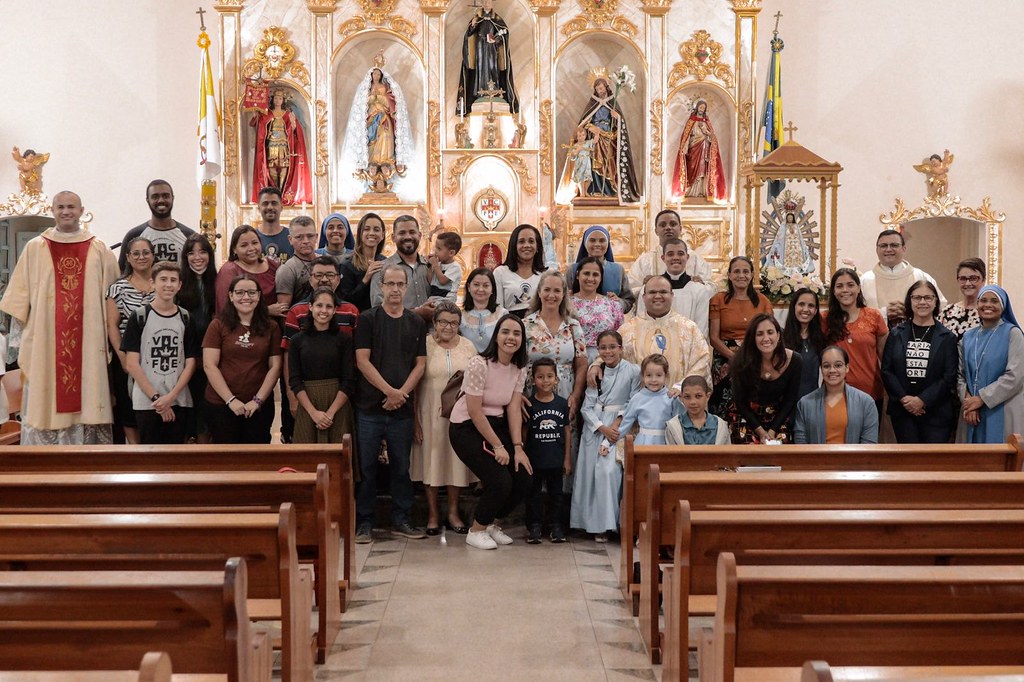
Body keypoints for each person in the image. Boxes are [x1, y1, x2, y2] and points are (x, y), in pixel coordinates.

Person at [0, 191, 119, 445]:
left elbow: (114, 298)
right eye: (61, 207)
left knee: (88, 392)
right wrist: (20, 341)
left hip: (89, 343)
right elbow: (19, 298)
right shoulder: (35, 247)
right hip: (46, 342)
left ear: (81, 211)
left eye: (71, 207)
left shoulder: (99, 248)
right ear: (53, 210)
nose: (66, 212)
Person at [354, 264, 428, 543]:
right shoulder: (368, 319)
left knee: (400, 466)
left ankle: (402, 518)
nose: (395, 289)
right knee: (367, 467)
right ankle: (364, 522)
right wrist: (389, 391)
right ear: (381, 286)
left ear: (406, 287)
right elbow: (362, 361)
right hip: (370, 407)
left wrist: (401, 394)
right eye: (390, 284)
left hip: (402, 410)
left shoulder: (416, 322)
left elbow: (420, 364)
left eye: (400, 284)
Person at [449, 315, 533, 550]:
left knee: (524, 478)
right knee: (500, 481)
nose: (511, 338)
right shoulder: (479, 363)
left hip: (496, 423)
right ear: (496, 336)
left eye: (517, 333)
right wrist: (498, 446)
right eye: (505, 332)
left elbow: (514, 408)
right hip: (466, 426)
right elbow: (475, 411)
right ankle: (476, 531)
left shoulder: (519, 367)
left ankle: (491, 524)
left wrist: (517, 448)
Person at [412, 301, 477, 536]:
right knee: (431, 462)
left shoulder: (468, 347)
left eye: (453, 323)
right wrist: (415, 420)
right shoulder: (424, 345)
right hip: (428, 413)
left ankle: (453, 512)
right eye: (443, 322)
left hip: (460, 417)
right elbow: (414, 383)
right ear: (434, 323)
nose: (448, 327)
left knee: (455, 463)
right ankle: (432, 514)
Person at [572, 331, 640, 541]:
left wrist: (615, 427)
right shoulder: (596, 371)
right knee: (589, 475)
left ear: (620, 348)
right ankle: (594, 525)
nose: (608, 351)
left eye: (612, 347)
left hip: (619, 425)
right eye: (603, 347)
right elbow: (586, 407)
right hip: (596, 425)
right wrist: (601, 427)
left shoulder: (633, 371)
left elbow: (633, 401)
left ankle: (612, 523)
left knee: (608, 472)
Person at [121, 262, 199, 444]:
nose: (168, 284)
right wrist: (157, 399)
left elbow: (191, 363)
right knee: (149, 454)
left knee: (176, 454)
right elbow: (132, 363)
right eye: (163, 279)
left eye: (173, 280)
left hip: (178, 399)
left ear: (179, 285)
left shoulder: (186, 318)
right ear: (152, 283)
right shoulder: (139, 317)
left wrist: (171, 397)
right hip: (147, 401)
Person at [202, 275, 282, 444]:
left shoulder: (271, 327)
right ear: (231, 296)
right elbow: (209, 365)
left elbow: (275, 367)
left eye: (251, 292)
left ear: (259, 296)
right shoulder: (218, 325)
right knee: (226, 456)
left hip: (258, 406)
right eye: (240, 292)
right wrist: (230, 400)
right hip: (221, 404)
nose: (246, 297)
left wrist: (257, 401)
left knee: (257, 456)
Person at [881, 280, 958, 443]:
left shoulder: (947, 337)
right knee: (908, 458)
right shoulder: (896, 334)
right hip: (903, 412)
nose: (922, 302)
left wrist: (922, 400)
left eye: (928, 297)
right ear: (909, 301)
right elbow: (887, 370)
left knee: (932, 458)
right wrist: (905, 399)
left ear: (935, 301)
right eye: (917, 298)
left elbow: (949, 376)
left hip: (936, 413)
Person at [615, 275, 712, 389]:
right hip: (637, 397)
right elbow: (612, 359)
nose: (657, 296)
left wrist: (680, 387)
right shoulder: (626, 330)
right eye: (652, 292)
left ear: (672, 295)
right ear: (644, 297)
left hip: (678, 396)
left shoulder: (689, 328)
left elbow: (702, 361)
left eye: (663, 292)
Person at [556, 74, 640, 204]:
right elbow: (584, 122)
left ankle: (611, 189)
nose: (600, 91)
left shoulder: (613, 102)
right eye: (597, 89)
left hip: (609, 138)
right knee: (594, 162)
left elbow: (620, 123)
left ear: (606, 87)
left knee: (609, 162)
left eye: (601, 88)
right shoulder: (593, 103)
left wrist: (617, 117)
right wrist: (591, 127)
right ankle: (595, 189)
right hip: (595, 138)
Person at [288, 287, 356, 444]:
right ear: (310, 307)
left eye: (329, 306)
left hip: (337, 404)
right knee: (307, 454)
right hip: (308, 404)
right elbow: (295, 380)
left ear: (335, 310)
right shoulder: (297, 340)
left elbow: (348, 380)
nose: (324, 311)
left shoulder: (344, 339)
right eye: (319, 305)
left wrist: (330, 413)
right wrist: (313, 413)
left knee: (339, 453)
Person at [958, 285, 1024, 444]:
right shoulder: (968, 337)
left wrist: (981, 399)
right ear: (978, 304)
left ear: (1003, 306)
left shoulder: (1013, 333)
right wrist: (969, 403)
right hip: (971, 412)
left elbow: (1015, 376)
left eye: (994, 301)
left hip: (1003, 407)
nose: (988, 305)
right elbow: (960, 375)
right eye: (984, 300)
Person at [708, 256, 774, 414]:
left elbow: (769, 334)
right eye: (736, 271)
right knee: (726, 403)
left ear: (752, 275)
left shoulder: (763, 301)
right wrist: (735, 357)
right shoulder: (719, 299)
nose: (741, 275)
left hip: (757, 354)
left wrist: (752, 357)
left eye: (745, 271)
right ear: (729, 275)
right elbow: (714, 338)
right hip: (726, 356)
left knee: (755, 403)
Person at [105, 236, 155, 444]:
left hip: (156, 356)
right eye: (136, 253)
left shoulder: (163, 283)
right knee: (128, 406)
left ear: (153, 255)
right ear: (128, 257)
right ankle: (135, 451)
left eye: (145, 252)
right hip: (127, 356)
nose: (141, 257)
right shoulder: (118, 288)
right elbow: (112, 326)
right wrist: (122, 358)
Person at [728, 313, 803, 444]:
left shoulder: (795, 360)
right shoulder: (740, 361)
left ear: (778, 335)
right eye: (759, 334)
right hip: (746, 415)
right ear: (753, 338)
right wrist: (761, 432)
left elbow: (790, 400)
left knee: (781, 446)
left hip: (777, 417)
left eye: (770, 332)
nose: (766, 338)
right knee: (748, 447)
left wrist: (772, 431)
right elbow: (740, 402)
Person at [524, 272, 587, 418]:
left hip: (566, 394)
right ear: (539, 292)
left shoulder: (573, 325)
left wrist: (575, 396)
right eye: (547, 289)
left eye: (557, 290)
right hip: (533, 394)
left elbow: (582, 364)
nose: (551, 295)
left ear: (563, 295)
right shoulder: (526, 325)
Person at [825, 268, 888, 413]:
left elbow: (885, 357)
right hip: (835, 394)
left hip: (871, 392)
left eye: (850, 285)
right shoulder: (824, 319)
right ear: (833, 291)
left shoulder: (874, 316)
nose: (845, 290)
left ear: (859, 288)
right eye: (839, 286)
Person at [524, 358, 571, 544]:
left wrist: (567, 459)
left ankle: (556, 526)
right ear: (533, 380)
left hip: (555, 459)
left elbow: (567, 432)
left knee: (556, 494)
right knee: (533, 494)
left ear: (556, 379)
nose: (545, 381)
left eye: (550, 376)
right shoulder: (529, 404)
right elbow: (524, 432)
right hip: (534, 460)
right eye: (540, 377)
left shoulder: (562, 404)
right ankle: (534, 526)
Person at [176, 233, 218, 442]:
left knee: (207, 402)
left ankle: (206, 443)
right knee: (188, 400)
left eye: (202, 252)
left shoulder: (218, 281)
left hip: (212, 352)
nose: (197, 257)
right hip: (186, 352)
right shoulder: (179, 283)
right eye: (191, 253)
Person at [794, 345, 879, 444]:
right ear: (821, 369)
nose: (832, 370)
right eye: (826, 366)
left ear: (847, 368)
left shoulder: (866, 403)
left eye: (838, 365)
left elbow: (869, 445)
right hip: (815, 455)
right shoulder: (805, 404)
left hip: (855, 455)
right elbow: (801, 445)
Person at [859, 230, 946, 327]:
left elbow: (941, 308)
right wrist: (884, 313)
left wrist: (910, 311)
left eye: (894, 245)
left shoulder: (921, 277)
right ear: (877, 250)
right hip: (876, 335)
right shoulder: (865, 280)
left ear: (904, 249)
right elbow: (855, 314)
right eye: (883, 246)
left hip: (915, 334)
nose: (888, 249)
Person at [634, 238, 715, 337]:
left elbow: (701, 329)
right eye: (670, 254)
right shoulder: (648, 289)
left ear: (687, 257)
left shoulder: (699, 290)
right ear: (663, 258)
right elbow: (642, 323)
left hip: (689, 343)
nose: (675, 257)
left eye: (680, 254)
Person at [249, 90, 312, 205]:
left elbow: (295, 130)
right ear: (272, 99)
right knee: (272, 168)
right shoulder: (267, 113)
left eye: (280, 98)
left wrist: (293, 125)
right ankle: (275, 192)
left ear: (283, 100)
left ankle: (282, 193)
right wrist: (255, 116)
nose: (278, 100)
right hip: (271, 145)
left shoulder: (287, 114)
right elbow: (256, 124)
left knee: (284, 168)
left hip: (284, 145)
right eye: (276, 98)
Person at [627, 209, 713, 293]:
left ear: (680, 229)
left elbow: (711, 287)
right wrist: (646, 287)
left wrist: (701, 284)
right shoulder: (644, 261)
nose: (668, 228)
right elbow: (631, 290)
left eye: (673, 224)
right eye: (663, 225)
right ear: (656, 231)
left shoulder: (695, 258)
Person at [457, 0, 519, 114]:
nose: (486, 3)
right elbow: (469, 34)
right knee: (481, 70)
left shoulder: (497, 19)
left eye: (489, 1)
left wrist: (496, 39)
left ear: (492, 3)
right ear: (482, 3)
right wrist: (473, 25)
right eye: (484, 1)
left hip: (492, 49)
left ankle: (494, 91)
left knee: (492, 68)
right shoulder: (477, 18)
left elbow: (504, 34)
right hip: (480, 47)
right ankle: (481, 91)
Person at [118, 179, 196, 270]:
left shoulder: (189, 236)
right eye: (155, 197)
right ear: (147, 200)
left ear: (172, 198)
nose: (161, 200)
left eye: (165, 196)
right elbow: (122, 272)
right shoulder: (133, 236)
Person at [605, 354, 675, 451]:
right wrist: (607, 443)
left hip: (666, 445)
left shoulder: (671, 398)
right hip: (643, 445)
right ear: (642, 376)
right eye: (649, 375)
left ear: (666, 376)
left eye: (658, 375)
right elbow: (625, 424)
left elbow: (679, 425)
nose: (653, 380)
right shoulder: (637, 398)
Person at [369, 215, 434, 320]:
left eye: (412, 232)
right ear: (393, 237)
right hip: (395, 329)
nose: (408, 237)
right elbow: (378, 311)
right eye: (402, 233)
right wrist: (417, 313)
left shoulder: (430, 266)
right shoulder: (381, 269)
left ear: (419, 235)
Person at [564, 225, 635, 314]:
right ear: (585, 243)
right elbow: (562, 299)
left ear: (608, 244)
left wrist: (618, 302)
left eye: (602, 241)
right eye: (592, 240)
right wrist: (568, 299)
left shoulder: (618, 270)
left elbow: (629, 301)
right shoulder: (572, 270)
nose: (597, 244)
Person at [215, 225, 284, 316]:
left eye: (255, 243)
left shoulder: (273, 265)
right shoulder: (229, 271)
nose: (251, 248)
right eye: (244, 245)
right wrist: (266, 311)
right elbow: (225, 308)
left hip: (273, 323)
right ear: (234, 249)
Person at [670, 99, 727, 202]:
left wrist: (706, 132)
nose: (702, 109)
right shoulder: (691, 121)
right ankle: (691, 191)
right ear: (697, 108)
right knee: (692, 167)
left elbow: (712, 136)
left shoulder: (706, 121)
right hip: (693, 147)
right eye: (700, 107)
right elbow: (686, 135)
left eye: (703, 108)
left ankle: (702, 191)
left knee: (703, 169)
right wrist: (684, 146)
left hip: (705, 146)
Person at [570, 257, 624, 362]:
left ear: (601, 278)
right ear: (577, 275)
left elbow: (619, 336)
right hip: (574, 358)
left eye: (595, 275)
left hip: (606, 360)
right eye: (586, 273)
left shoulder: (612, 304)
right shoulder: (567, 304)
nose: (590, 278)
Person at [492, 224, 547, 317]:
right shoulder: (500, 273)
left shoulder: (545, 274)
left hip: (540, 323)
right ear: (514, 246)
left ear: (537, 246)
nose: (527, 245)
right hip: (510, 323)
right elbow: (498, 309)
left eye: (531, 241)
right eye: (521, 241)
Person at [781, 288, 826, 399]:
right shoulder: (781, 338)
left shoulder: (820, 339)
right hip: (786, 401)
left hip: (812, 399)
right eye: (801, 304)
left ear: (815, 310)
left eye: (811, 306)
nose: (806, 309)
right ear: (794, 307)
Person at [338, 213, 386, 312]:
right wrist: (366, 279)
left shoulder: (384, 261)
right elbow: (345, 300)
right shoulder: (347, 264)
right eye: (366, 229)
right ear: (360, 233)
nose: (371, 233)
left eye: (376, 230)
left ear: (382, 235)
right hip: (358, 316)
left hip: (381, 316)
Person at [666, 375, 730, 445]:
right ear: (681, 398)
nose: (693, 402)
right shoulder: (674, 426)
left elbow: (727, 451)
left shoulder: (720, 426)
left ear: (707, 396)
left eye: (698, 396)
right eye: (687, 397)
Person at [275, 215, 319, 309]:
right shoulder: (286, 270)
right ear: (290, 239)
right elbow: (283, 309)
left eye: (310, 236)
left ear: (316, 237)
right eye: (299, 237)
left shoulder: (326, 262)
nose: (306, 241)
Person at [460, 267, 507, 353]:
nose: (481, 289)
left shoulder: (502, 314)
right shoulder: (461, 317)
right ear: (469, 287)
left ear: (492, 289)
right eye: (476, 285)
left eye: (486, 285)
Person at [938, 257, 986, 339]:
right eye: (963, 279)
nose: (968, 283)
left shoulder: (989, 312)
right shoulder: (947, 312)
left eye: (973, 278)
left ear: (983, 280)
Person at [253, 187, 292, 261]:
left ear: (281, 207)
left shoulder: (292, 236)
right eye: (265, 203)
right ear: (259, 208)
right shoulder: (252, 237)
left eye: (274, 203)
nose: (270, 207)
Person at [427, 231, 463, 302]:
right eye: (436, 247)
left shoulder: (455, 267)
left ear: (451, 253)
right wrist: (430, 266)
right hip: (434, 298)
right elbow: (430, 281)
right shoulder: (438, 264)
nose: (435, 251)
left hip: (446, 300)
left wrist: (435, 265)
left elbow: (443, 281)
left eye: (439, 248)